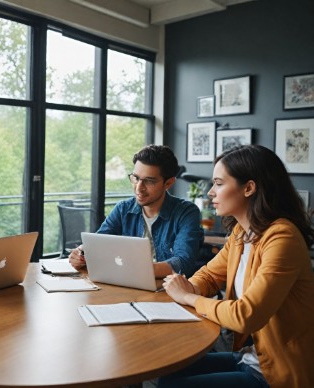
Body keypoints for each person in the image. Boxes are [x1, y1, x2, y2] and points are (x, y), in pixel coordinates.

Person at [158, 145, 314, 388]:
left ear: (249, 188)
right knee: (168, 371)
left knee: (173, 386)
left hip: (278, 373)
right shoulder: (242, 234)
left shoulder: (283, 238)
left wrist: (188, 296)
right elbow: (210, 275)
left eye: (219, 183)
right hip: (252, 357)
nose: (210, 192)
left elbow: (246, 316)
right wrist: (190, 286)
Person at [68, 144, 204, 277]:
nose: (139, 187)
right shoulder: (123, 209)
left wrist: (136, 269)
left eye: (149, 181)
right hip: (127, 284)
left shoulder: (186, 212)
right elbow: (98, 243)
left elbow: (183, 262)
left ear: (168, 183)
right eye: (136, 178)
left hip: (166, 290)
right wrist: (81, 252)